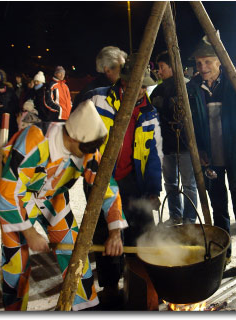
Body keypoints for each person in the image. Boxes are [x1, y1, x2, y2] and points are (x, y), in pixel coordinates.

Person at [0, 100, 128, 311]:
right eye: (89, 148)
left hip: (54, 197)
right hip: (15, 199)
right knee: (16, 261)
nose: (92, 153)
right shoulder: (34, 140)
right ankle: (14, 312)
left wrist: (115, 231)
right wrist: (29, 232)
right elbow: (7, 192)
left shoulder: (88, 146)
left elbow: (107, 188)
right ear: (72, 137)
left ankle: (84, 307)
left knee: (74, 251)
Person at [80, 53, 162, 309]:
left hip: (131, 178)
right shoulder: (97, 99)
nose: (141, 91)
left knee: (143, 229)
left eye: (145, 85)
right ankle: (110, 286)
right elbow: (77, 133)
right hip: (101, 178)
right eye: (137, 84)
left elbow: (153, 154)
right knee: (107, 233)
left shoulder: (149, 111)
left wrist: (152, 190)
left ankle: (143, 280)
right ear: (123, 82)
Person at [187, 34, 236, 275]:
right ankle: (224, 256)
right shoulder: (192, 90)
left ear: (220, 62)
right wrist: (198, 150)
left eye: (208, 62)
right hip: (210, 160)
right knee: (218, 210)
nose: (203, 68)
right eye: (199, 63)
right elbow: (188, 124)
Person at [150, 51, 198, 225]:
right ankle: (175, 215)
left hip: (185, 145)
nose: (159, 71)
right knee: (170, 183)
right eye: (158, 68)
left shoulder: (189, 87)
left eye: (162, 67)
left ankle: (190, 219)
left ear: (172, 67)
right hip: (165, 145)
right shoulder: (157, 91)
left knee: (189, 185)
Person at [0, 69, 20, 140]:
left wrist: (16, 110)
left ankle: (13, 143)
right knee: (3, 130)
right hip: (0, 113)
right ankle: (5, 144)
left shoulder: (9, 87)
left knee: (12, 129)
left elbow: (14, 100)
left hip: (10, 112)